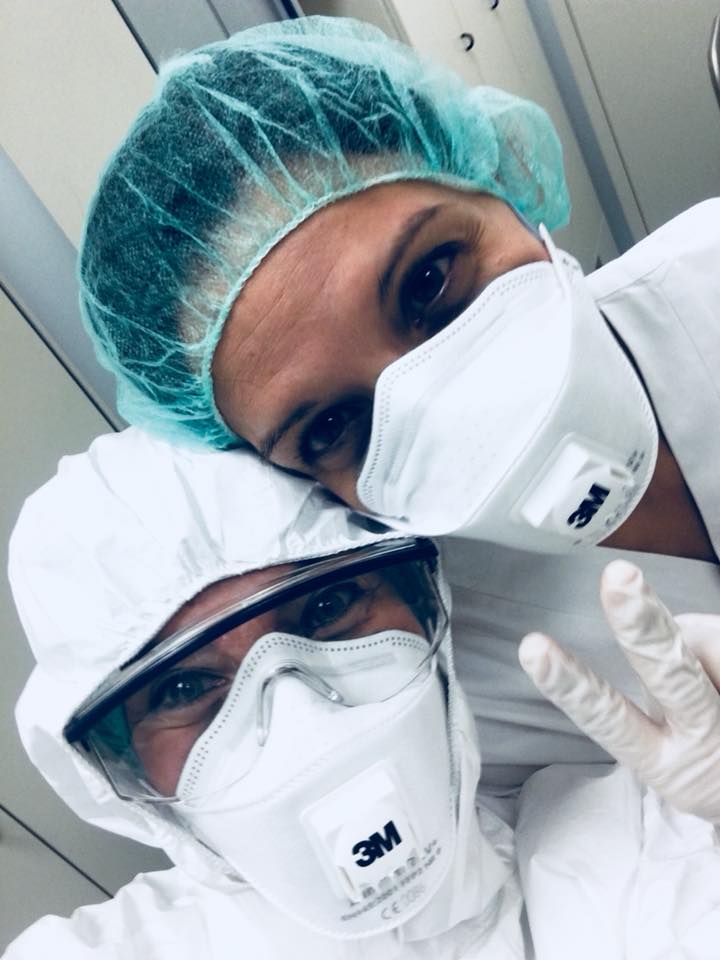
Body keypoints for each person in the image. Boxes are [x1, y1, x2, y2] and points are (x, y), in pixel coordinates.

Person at [75, 19, 720, 797]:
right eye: (332, 426)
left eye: (430, 282)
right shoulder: (435, 681)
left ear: (500, 182)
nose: (448, 405)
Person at [7, 428, 720, 959]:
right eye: (185, 687)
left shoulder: (644, 840)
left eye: (327, 608)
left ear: (427, 607)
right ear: (123, 772)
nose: (301, 714)